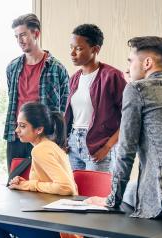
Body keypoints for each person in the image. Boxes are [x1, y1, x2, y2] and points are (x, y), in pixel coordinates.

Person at [85, 36, 162, 218]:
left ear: (147, 63)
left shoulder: (137, 89)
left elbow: (126, 151)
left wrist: (110, 201)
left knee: (115, 201)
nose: (127, 68)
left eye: (130, 61)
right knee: (133, 187)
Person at [0, 102, 78, 238]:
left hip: (58, 229)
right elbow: (50, 183)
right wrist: (25, 184)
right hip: (61, 223)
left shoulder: (41, 150)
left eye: (22, 126)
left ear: (39, 129)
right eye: (18, 125)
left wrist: (30, 185)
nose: (17, 130)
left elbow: (66, 187)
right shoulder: (50, 146)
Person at [4, 13, 69, 173]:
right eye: (16, 36)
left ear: (36, 34)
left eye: (24, 35)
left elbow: (63, 109)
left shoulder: (56, 68)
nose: (20, 40)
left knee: (44, 185)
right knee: (15, 183)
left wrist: (60, 140)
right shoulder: (12, 68)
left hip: (44, 138)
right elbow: (12, 102)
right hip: (17, 136)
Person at [65, 24, 126, 172]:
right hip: (73, 144)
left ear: (95, 49)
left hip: (99, 145)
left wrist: (108, 147)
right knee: (77, 193)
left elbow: (129, 117)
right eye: (71, 47)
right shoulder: (74, 79)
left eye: (78, 49)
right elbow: (71, 115)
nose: (72, 53)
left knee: (96, 194)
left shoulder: (112, 76)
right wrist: (65, 139)